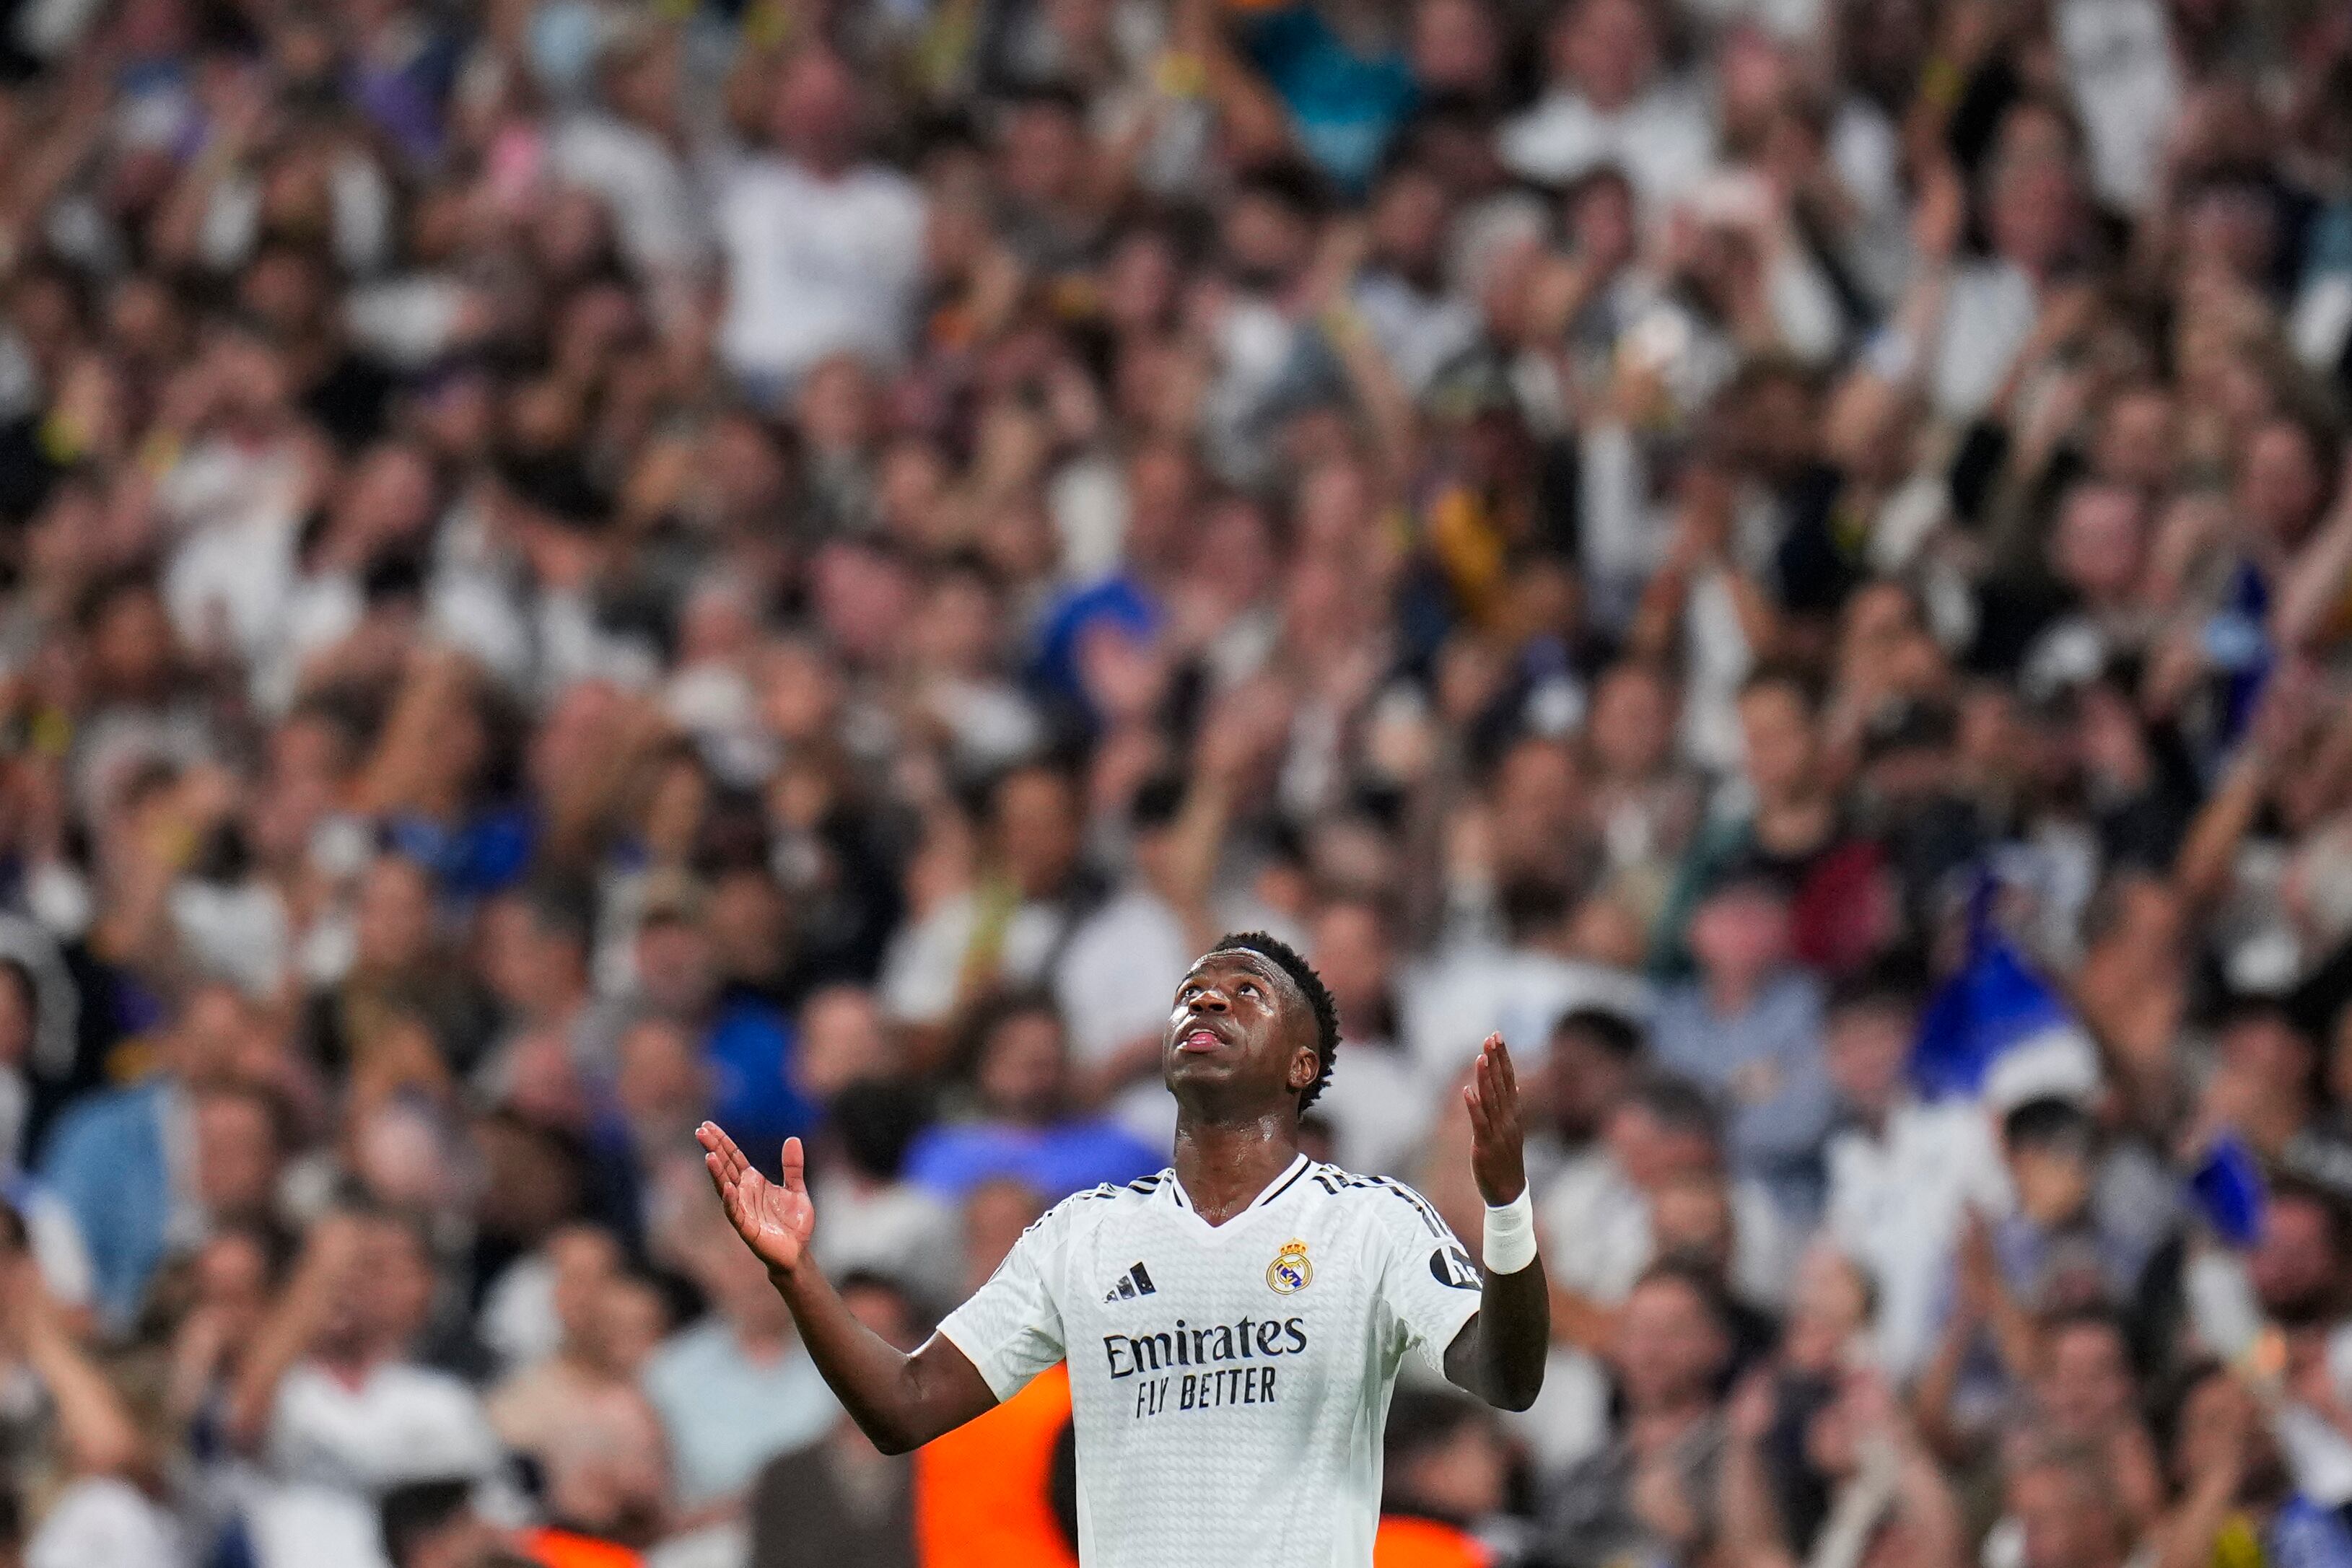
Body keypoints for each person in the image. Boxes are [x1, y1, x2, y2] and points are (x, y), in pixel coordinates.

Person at [697, 930, 1549, 1565]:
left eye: (1245, 992)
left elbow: (1507, 1377)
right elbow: (904, 1405)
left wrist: (1505, 1206)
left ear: (1302, 1064)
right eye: (1191, 991)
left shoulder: (1371, 1222)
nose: (1206, 1001)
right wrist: (797, 1273)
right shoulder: (1083, 1233)